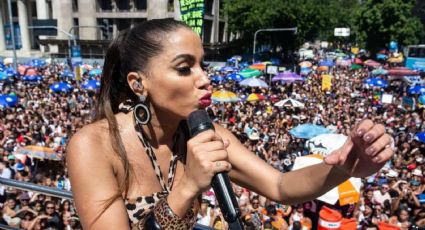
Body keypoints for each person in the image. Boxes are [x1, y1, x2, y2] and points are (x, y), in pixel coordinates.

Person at [66, 18, 394, 229]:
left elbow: (280, 187)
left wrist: (345, 166)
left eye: (202, 65)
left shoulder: (208, 134)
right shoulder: (94, 146)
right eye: (184, 68)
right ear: (139, 83)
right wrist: (188, 187)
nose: (206, 79)